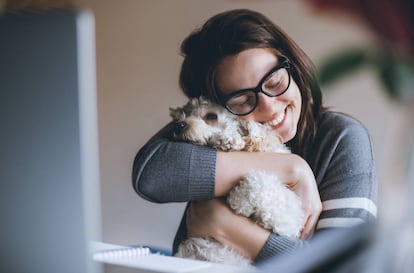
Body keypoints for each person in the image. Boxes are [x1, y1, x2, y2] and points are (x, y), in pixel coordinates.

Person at [132, 9, 377, 264]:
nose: (269, 106)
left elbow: (345, 267)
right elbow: (150, 174)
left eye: (274, 82)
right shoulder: (213, 131)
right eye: (242, 100)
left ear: (292, 66)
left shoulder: (342, 139)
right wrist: (293, 168)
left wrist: (224, 226)